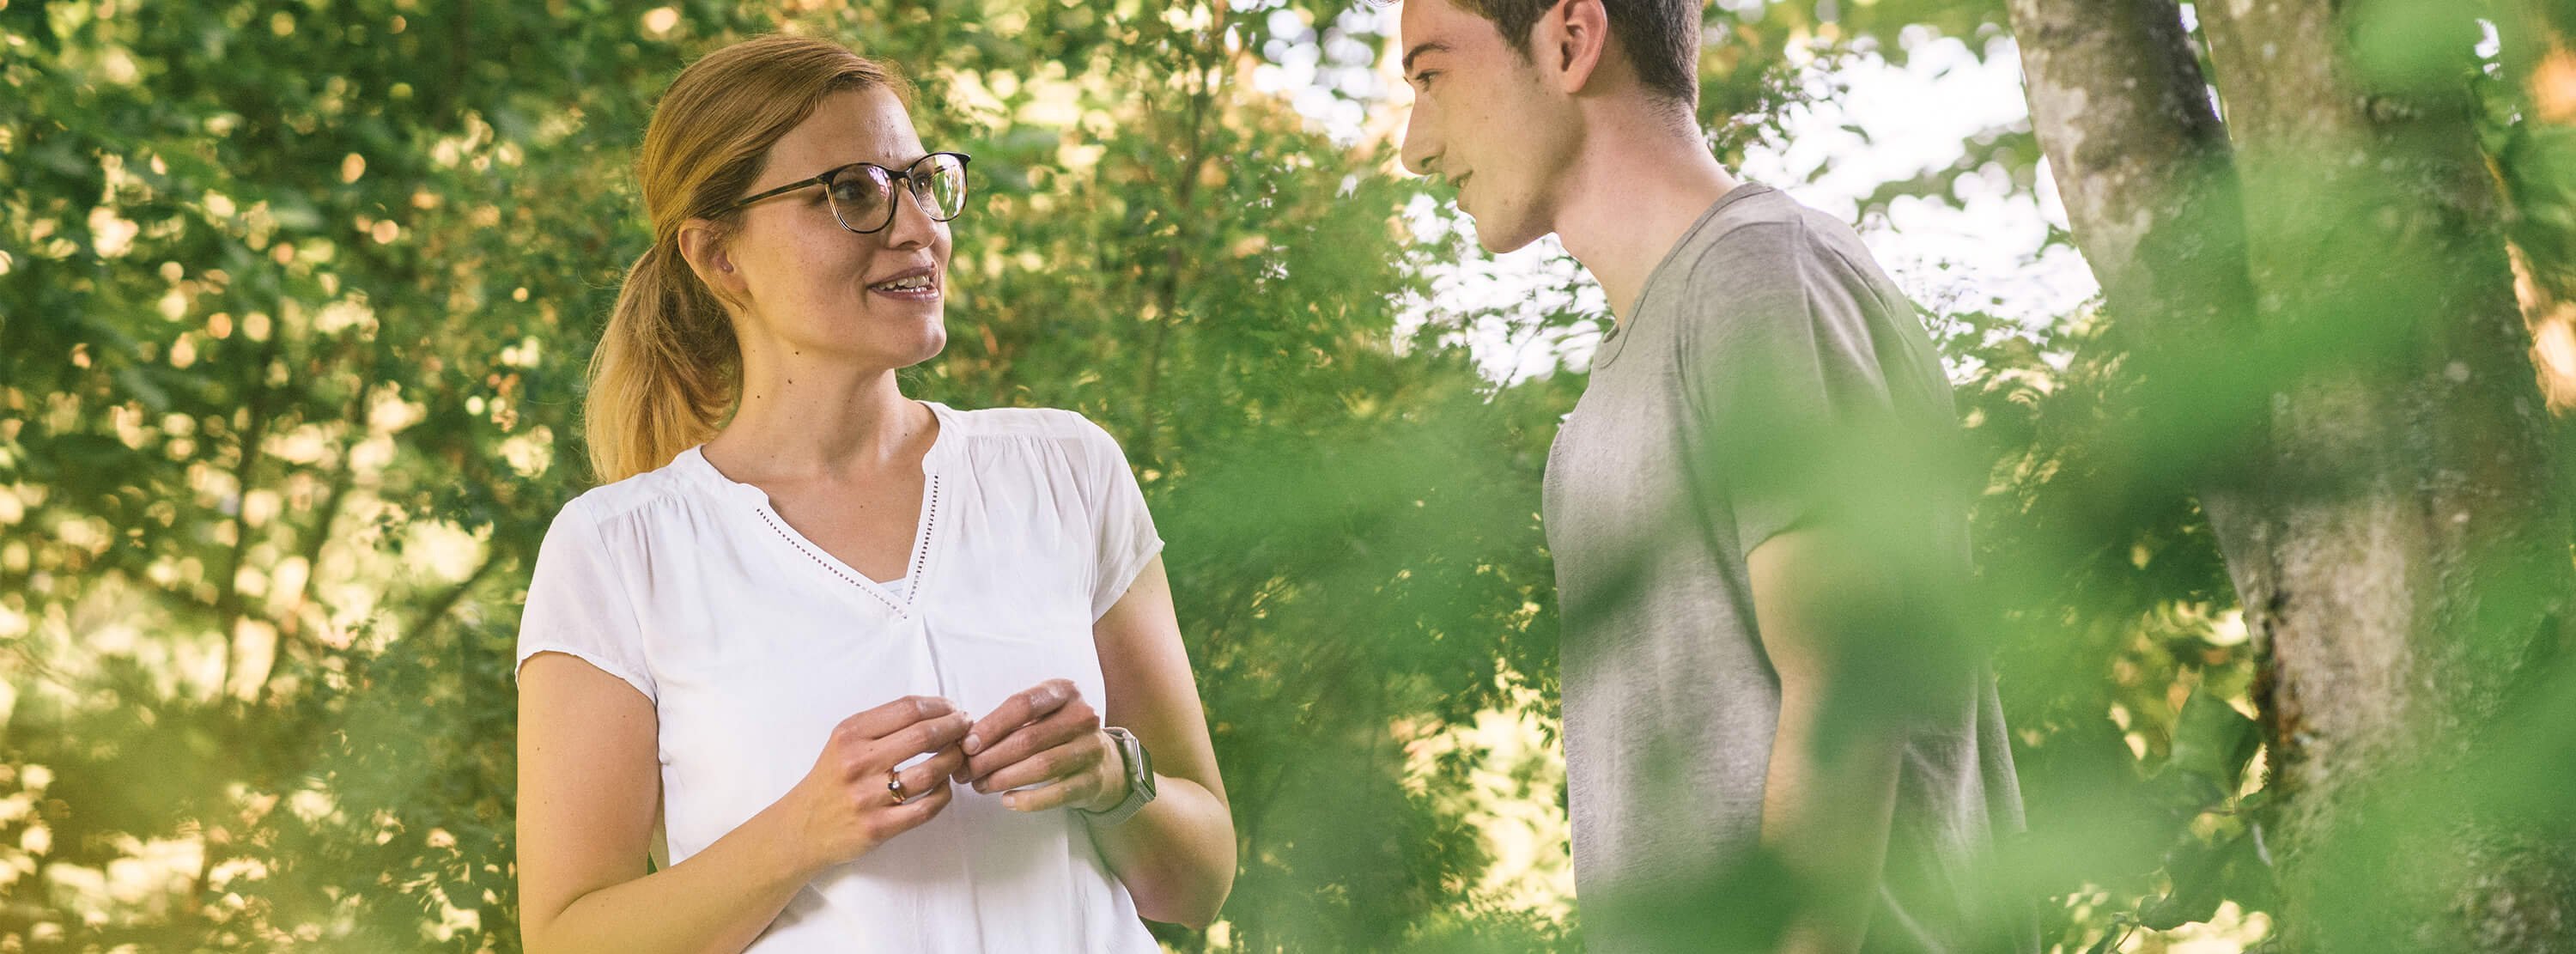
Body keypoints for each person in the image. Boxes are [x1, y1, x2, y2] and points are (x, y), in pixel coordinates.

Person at [512, 34, 1233, 954]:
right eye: (852, 192)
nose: (918, 227)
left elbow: (1199, 883)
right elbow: (568, 937)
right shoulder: (616, 550)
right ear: (719, 256)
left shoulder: (1067, 469)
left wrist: (1112, 778)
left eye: (922, 182)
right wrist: (802, 830)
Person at [1394, 2, 2033, 951]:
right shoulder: (1613, 395)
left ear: (1571, 41)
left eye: (1431, 75)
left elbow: (1847, 682)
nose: (1414, 146)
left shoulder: (1760, 274)